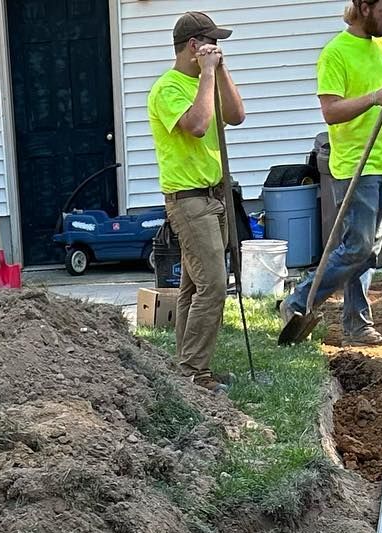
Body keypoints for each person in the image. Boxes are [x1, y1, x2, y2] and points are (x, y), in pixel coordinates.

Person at [280, 0, 382, 347]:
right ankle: (296, 302)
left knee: (367, 250)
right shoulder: (335, 53)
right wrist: (375, 97)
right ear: (364, 7)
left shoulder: (379, 44)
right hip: (355, 165)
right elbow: (331, 111)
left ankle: (357, 324)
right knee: (358, 247)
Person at [147, 11, 246, 386]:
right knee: (214, 285)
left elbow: (236, 115)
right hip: (188, 201)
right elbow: (198, 125)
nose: (218, 50)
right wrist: (207, 74)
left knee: (193, 286)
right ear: (194, 47)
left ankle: (186, 368)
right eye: (213, 43)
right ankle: (194, 372)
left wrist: (219, 72)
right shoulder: (167, 89)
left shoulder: (208, 80)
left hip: (214, 195)